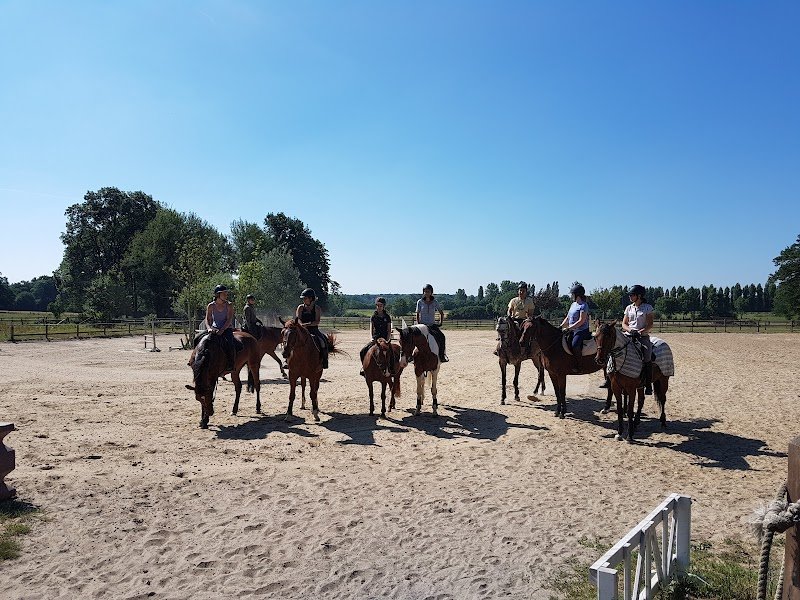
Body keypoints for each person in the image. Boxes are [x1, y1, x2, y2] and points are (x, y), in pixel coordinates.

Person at [622, 284, 654, 395]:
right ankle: (609, 378)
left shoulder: (647, 308)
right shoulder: (628, 308)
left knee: (647, 356)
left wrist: (639, 332)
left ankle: (648, 384)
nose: (630, 297)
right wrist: (631, 331)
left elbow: (650, 325)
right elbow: (624, 324)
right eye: (630, 295)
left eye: (632, 295)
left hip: (642, 337)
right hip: (628, 335)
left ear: (639, 296)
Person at [560, 284, 591, 373]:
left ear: (577, 295)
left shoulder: (584, 305)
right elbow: (568, 317)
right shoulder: (573, 304)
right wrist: (561, 326)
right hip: (572, 329)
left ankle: (580, 365)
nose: (571, 296)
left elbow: (581, 320)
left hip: (581, 330)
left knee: (575, 344)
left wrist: (570, 328)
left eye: (572, 294)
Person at [296, 288, 328, 369]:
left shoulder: (317, 308)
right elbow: (298, 318)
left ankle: (324, 361)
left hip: (314, 330)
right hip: (302, 329)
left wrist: (307, 324)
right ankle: (286, 360)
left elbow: (317, 321)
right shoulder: (300, 307)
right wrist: (301, 325)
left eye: (305, 298)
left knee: (323, 342)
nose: (304, 300)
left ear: (311, 298)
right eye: (303, 298)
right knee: (291, 340)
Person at [205, 284, 236, 370]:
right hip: (214, 328)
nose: (226, 295)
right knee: (200, 340)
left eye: (226, 293)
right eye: (224, 293)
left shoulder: (229, 305)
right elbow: (207, 319)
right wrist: (209, 328)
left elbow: (229, 319)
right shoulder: (211, 306)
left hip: (226, 328)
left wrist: (222, 330)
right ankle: (195, 359)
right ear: (218, 295)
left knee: (230, 344)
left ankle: (231, 364)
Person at [359, 297, 393, 376]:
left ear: (383, 306)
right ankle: (364, 367)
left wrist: (387, 340)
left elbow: (388, 330)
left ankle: (392, 368)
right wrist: (371, 338)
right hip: (375, 339)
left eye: (380, 305)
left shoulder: (387, 317)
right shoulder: (373, 317)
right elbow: (371, 328)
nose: (379, 307)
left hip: (384, 339)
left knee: (392, 353)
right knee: (362, 351)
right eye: (377, 305)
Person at [415, 284, 448, 363]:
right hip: (422, 325)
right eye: (425, 291)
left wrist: (440, 322)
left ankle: (442, 355)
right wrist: (418, 324)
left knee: (442, 337)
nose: (426, 293)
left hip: (432, 325)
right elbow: (417, 313)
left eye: (428, 291)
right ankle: (412, 356)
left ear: (431, 292)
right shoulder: (420, 302)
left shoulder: (435, 302)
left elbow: (441, 313)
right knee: (413, 338)